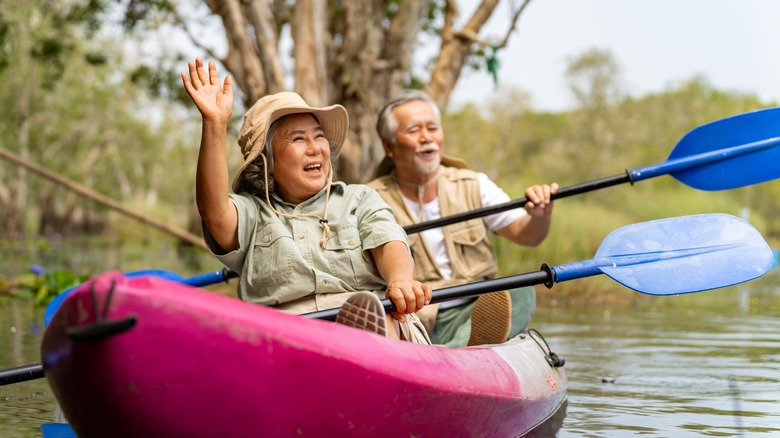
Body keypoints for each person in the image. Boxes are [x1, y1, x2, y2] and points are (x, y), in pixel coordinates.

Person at [181, 58, 432, 342]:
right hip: (287, 338)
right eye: (298, 139)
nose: (315, 149)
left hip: (370, 320)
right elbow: (214, 213)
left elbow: (390, 245)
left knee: (377, 315)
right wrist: (214, 123)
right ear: (267, 161)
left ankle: (371, 355)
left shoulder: (358, 199)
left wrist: (400, 280)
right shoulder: (253, 213)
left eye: (319, 137)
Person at [368, 90, 557, 347]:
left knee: (522, 289)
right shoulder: (368, 199)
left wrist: (541, 215)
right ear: (389, 146)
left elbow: (528, 235)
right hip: (412, 316)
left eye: (432, 128)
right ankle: (454, 353)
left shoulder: (474, 184)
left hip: (476, 307)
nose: (427, 138)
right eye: (413, 130)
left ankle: (456, 351)